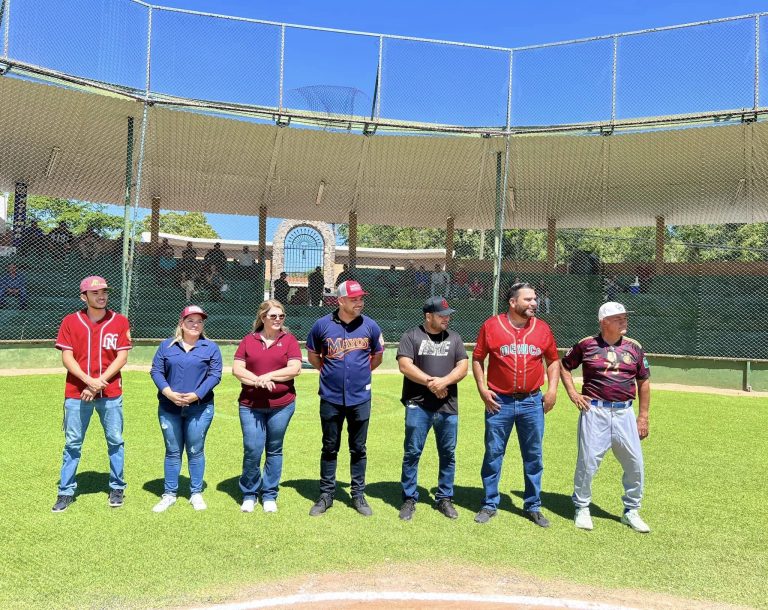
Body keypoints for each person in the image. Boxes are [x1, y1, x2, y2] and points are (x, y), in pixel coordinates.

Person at [472, 282, 560, 528]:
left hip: (532, 401)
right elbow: (478, 358)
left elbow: (553, 360)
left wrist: (552, 390)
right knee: (493, 453)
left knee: (533, 455)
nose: (534, 303)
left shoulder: (542, 328)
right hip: (499, 402)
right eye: (528, 299)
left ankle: (533, 505)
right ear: (513, 303)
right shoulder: (491, 326)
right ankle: (490, 503)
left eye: (534, 299)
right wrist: (482, 389)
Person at [560, 302, 651, 533]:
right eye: (618, 318)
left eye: (625, 317)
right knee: (588, 462)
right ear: (604, 322)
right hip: (595, 411)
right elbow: (564, 366)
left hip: (624, 412)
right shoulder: (586, 345)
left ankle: (631, 510)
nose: (624, 321)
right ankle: (582, 507)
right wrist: (573, 393)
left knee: (635, 464)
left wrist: (643, 416)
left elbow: (644, 381)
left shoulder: (634, 347)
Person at [51, 276, 132, 512]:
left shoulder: (119, 321)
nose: (102, 296)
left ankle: (117, 487)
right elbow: (67, 357)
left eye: (104, 291)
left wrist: (99, 383)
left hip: (111, 392)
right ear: (83, 297)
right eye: (95, 293)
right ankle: (65, 491)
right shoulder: (70, 321)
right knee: (73, 443)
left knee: (115, 440)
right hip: (77, 392)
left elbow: (122, 357)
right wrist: (88, 381)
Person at [306, 280, 384, 517]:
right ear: (340, 300)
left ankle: (358, 494)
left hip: (360, 397)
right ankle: (326, 494)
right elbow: (313, 356)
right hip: (330, 397)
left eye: (361, 298)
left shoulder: (370, 326)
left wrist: (359, 376)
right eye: (354, 299)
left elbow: (377, 358)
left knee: (358, 448)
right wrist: (331, 375)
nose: (359, 302)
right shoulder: (322, 325)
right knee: (330, 446)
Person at [397, 296, 468, 521]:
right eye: (442, 315)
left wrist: (443, 382)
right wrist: (431, 382)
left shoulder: (454, 338)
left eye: (449, 315)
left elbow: (463, 366)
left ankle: (444, 498)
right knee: (413, 452)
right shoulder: (412, 336)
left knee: (448, 453)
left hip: (447, 406)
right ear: (428, 316)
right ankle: (409, 497)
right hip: (418, 405)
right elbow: (405, 365)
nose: (447, 319)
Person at [149, 305, 222, 512]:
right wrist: (168, 392)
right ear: (181, 324)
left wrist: (196, 395)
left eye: (199, 321)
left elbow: (215, 375)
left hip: (199, 407)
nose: (195, 325)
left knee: (195, 450)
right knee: (172, 451)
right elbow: (156, 371)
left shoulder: (210, 347)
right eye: (190, 321)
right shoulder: (166, 346)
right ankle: (170, 494)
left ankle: (196, 493)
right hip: (169, 406)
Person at [232, 300, 302, 513]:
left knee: (274, 449)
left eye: (281, 316)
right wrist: (257, 381)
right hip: (250, 405)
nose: (278, 320)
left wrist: (267, 376)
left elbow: (295, 369)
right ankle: (250, 493)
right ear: (263, 318)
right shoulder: (248, 340)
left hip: (282, 405)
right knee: (253, 449)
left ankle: (270, 493)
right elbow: (237, 369)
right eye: (273, 316)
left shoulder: (289, 340)